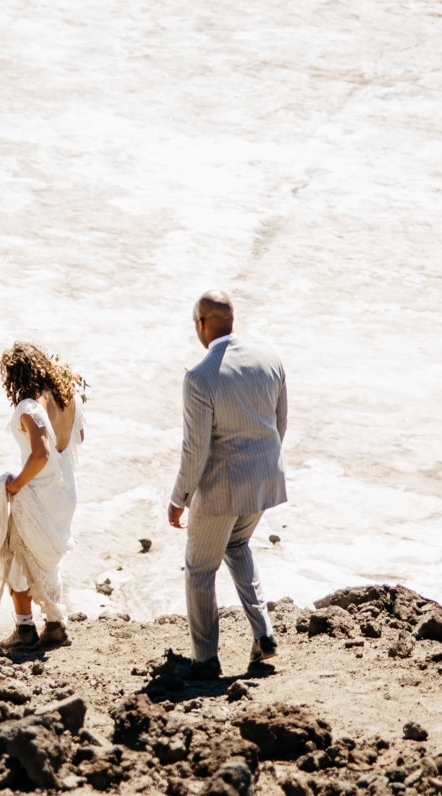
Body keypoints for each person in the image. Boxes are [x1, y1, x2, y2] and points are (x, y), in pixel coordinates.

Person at [167, 289, 287, 679]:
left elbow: (195, 449)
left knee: (200, 569)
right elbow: (279, 424)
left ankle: (205, 659)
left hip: (220, 490)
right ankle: (263, 633)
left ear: (201, 324)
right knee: (237, 544)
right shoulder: (270, 359)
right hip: (265, 481)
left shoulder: (199, 377)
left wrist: (179, 497)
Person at [0, 341, 86, 652]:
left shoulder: (29, 408)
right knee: (46, 557)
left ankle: (25, 629)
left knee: (19, 553)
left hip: (39, 491)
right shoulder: (69, 399)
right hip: (65, 491)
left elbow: (40, 453)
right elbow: (78, 437)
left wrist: (15, 485)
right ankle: (54, 625)